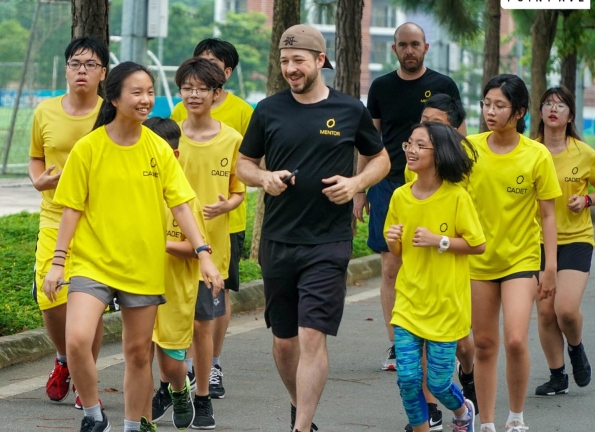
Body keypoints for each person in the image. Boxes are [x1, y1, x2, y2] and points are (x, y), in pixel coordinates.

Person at [43, 62, 224, 432]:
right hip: (92, 263)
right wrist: (58, 263)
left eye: (150, 92)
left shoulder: (158, 148)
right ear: (114, 98)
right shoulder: (88, 148)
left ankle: (133, 426)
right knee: (76, 340)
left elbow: (182, 206)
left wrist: (204, 255)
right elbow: (71, 210)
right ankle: (93, 415)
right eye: (137, 92)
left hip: (143, 266)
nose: (146, 99)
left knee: (138, 354)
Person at [236, 24, 390, 432]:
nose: (291, 68)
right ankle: (298, 405)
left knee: (311, 336)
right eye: (285, 61)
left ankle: (302, 426)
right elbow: (243, 164)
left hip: (328, 241)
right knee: (284, 342)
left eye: (299, 60)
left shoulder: (349, 109)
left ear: (320, 61)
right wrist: (264, 178)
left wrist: (356, 184)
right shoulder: (267, 109)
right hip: (278, 240)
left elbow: (381, 159)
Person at [354, 22, 464, 377]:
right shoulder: (381, 87)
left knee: (432, 263)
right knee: (391, 267)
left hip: (435, 185)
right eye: (403, 45)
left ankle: (437, 337)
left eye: (415, 44)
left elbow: (459, 139)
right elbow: (370, 141)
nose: (409, 50)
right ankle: (397, 344)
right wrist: (360, 188)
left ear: (426, 47)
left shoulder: (444, 86)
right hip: (389, 184)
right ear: (394, 49)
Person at [466, 74, 561, 432]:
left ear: (519, 112)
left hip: (521, 259)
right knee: (484, 344)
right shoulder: (470, 149)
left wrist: (550, 267)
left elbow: (548, 215)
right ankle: (487, 422)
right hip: (478, 260)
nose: (490, 111)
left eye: (499, 105)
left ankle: (516, 418)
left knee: (516, 339)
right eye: (486, 104)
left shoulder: (536, 154)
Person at [385, 122, 484, 432]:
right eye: (409, 144)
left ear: (439, 154)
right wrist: (392, 239)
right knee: (408, 379)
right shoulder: (400, 196)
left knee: (439, 383)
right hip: (409, 303)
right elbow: (398, 250)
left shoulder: (456, 197)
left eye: (420, 145)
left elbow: (477, 244)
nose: (411, 150)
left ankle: (462, 411)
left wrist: (439, 241)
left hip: (445, 305)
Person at [171, 38, 254, 398]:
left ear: (219, 86)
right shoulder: (173, 127)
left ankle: (209, 369)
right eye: (188, 87)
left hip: (221, 232)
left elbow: (243, 181)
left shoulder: (237, 126)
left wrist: (227, 205)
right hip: (174, 236)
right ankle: (177, 377)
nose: (194, 94)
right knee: (176, 310)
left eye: (202, 87)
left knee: (211, 306)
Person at [28, 36, 107, 406]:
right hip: (53, 215)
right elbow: (36, 157)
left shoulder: (110, 113)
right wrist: (38, 180)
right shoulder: (45, 111)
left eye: (90, 65)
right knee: (51, 297)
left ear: (103, 73)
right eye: (75, 63)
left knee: (90, 300)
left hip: (96, 221)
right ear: (65, 70)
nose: (82, 71)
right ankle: (64, 359)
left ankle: (85, 379)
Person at [143, 117, 202, 430]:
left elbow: (196, 247)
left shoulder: (185, 199)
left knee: (169, 364)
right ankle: (139, 418)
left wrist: (161, 243)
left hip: (175, 292)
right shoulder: (135, 194)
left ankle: (178, 390)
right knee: (139, 356)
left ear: (174, 155)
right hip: (139, 287)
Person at [533, 86, 592, 396]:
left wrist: (587, 199)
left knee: (565, 310)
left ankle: (576, 347)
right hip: (537, 242)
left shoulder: (584, 153)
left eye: (560, 105)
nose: (553, 109)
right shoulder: (530, 151)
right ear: (540, 112)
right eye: (547, 104)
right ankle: (558, 376)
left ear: (570, 116)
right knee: (545, 312)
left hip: (575, 238)